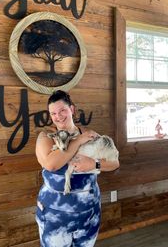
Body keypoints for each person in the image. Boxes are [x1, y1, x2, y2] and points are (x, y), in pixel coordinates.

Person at [35, 90, 120, 247]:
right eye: (53, 113)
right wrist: (79, 141)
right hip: (55, 217)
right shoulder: (46, 136)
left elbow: (114, 162)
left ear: (72, 109)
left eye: (62, 110)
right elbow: (51, 164)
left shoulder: (89, 135)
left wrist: (94, 164)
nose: (58, 116)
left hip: (88, 214)